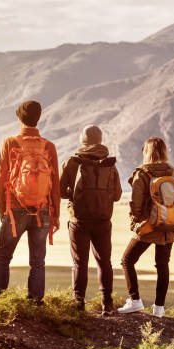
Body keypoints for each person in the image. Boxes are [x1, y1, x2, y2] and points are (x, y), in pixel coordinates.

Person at [0, 100, 61, 304]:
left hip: (15, 210)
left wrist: (4, 211)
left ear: (19, 118)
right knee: (38, 262)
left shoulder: (10, 143)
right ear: (38, 118)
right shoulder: (49, 146)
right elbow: (55, 184)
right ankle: (35, 303)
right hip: (42, 210)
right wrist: (54, 215)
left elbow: (0, 179)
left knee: (3, 257)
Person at [117, 137, 174, 318]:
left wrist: (137, 222)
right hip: (170, 227)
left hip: (149, 227)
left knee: (127, 260)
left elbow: (136, 204)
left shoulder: (142, 173)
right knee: (163, 265)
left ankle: (135, 301)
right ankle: (159, 308)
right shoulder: (173, 173)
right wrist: (168, 215)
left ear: (146, 152)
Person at [59, 125, 122, 315]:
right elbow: (118, 195)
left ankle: (78, 304)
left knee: (80, 263)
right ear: (100, 139)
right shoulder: (109, 164)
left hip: (79, 221)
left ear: (82, 140)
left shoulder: (72, 162)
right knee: (105, 262)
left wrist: (75, 196)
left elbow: (61, 191)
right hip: (103, 220)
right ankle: (107, 304)